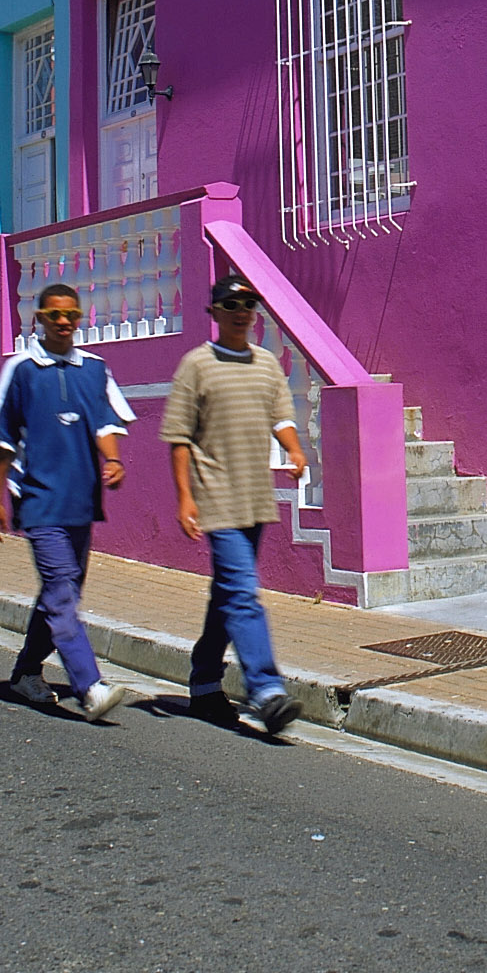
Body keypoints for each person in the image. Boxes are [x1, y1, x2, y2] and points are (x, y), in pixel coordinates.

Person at [163, 271, 309, 735]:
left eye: (248, 305)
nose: (242, 313)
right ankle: (266, 690)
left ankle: (205, 682)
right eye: (231, 305)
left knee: (227, 594)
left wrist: (294, 449)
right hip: (215, 496)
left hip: (255, 496)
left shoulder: (266, 363)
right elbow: (179, 438)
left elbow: (281, 416)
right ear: (215, 312)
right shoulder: (196, 365)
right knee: (243, 591)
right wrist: (185, 498)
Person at [0, 283, 134, 723]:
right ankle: (90, 686)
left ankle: (26, 672)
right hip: (38, 500)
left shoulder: (95, 369)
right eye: (54, 315)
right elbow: (4, 438)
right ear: (40, 319)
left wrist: (113, 461)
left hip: (81, 500)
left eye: (71, 315)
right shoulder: (22, 370)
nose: (64, 322)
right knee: (61, 591)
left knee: (61, 593)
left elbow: (106, 423)